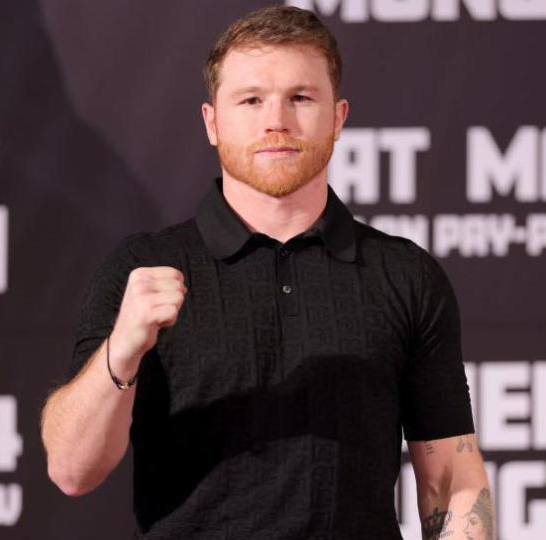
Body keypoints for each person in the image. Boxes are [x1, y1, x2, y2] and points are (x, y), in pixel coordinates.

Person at [40, 6, 494, 539]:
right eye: (251, 100)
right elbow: (71, 470)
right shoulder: (143, 270)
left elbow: (450, 480)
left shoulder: (404, 276)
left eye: (300, 98)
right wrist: (123, 349)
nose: (275, 120)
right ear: (212, 122)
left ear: (339, 117)